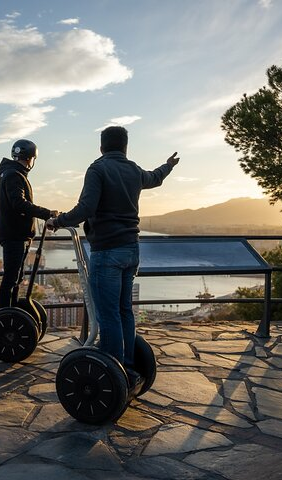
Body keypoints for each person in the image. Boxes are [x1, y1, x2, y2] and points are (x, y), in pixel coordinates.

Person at [46, 126, 180, 372]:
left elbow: (85, 208)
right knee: (124, 311)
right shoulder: (133, 169)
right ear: (125, 147)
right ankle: (127, 365)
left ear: (101, 147)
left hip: (107, 250)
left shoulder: (97, 169)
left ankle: (112, 369)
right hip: (131, 249)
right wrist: (168, 165)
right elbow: (155, 177)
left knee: (107, 315)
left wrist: (58, 221)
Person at [0, 139, 58, 308]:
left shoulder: (12, 174)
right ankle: (5, 314)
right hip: (14, 236)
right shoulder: (14, 175)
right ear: (31, 158)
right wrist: (46, 214)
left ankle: (12, 311)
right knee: (11, 278)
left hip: (16, 235)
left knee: (16, 277)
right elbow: (19, 203)